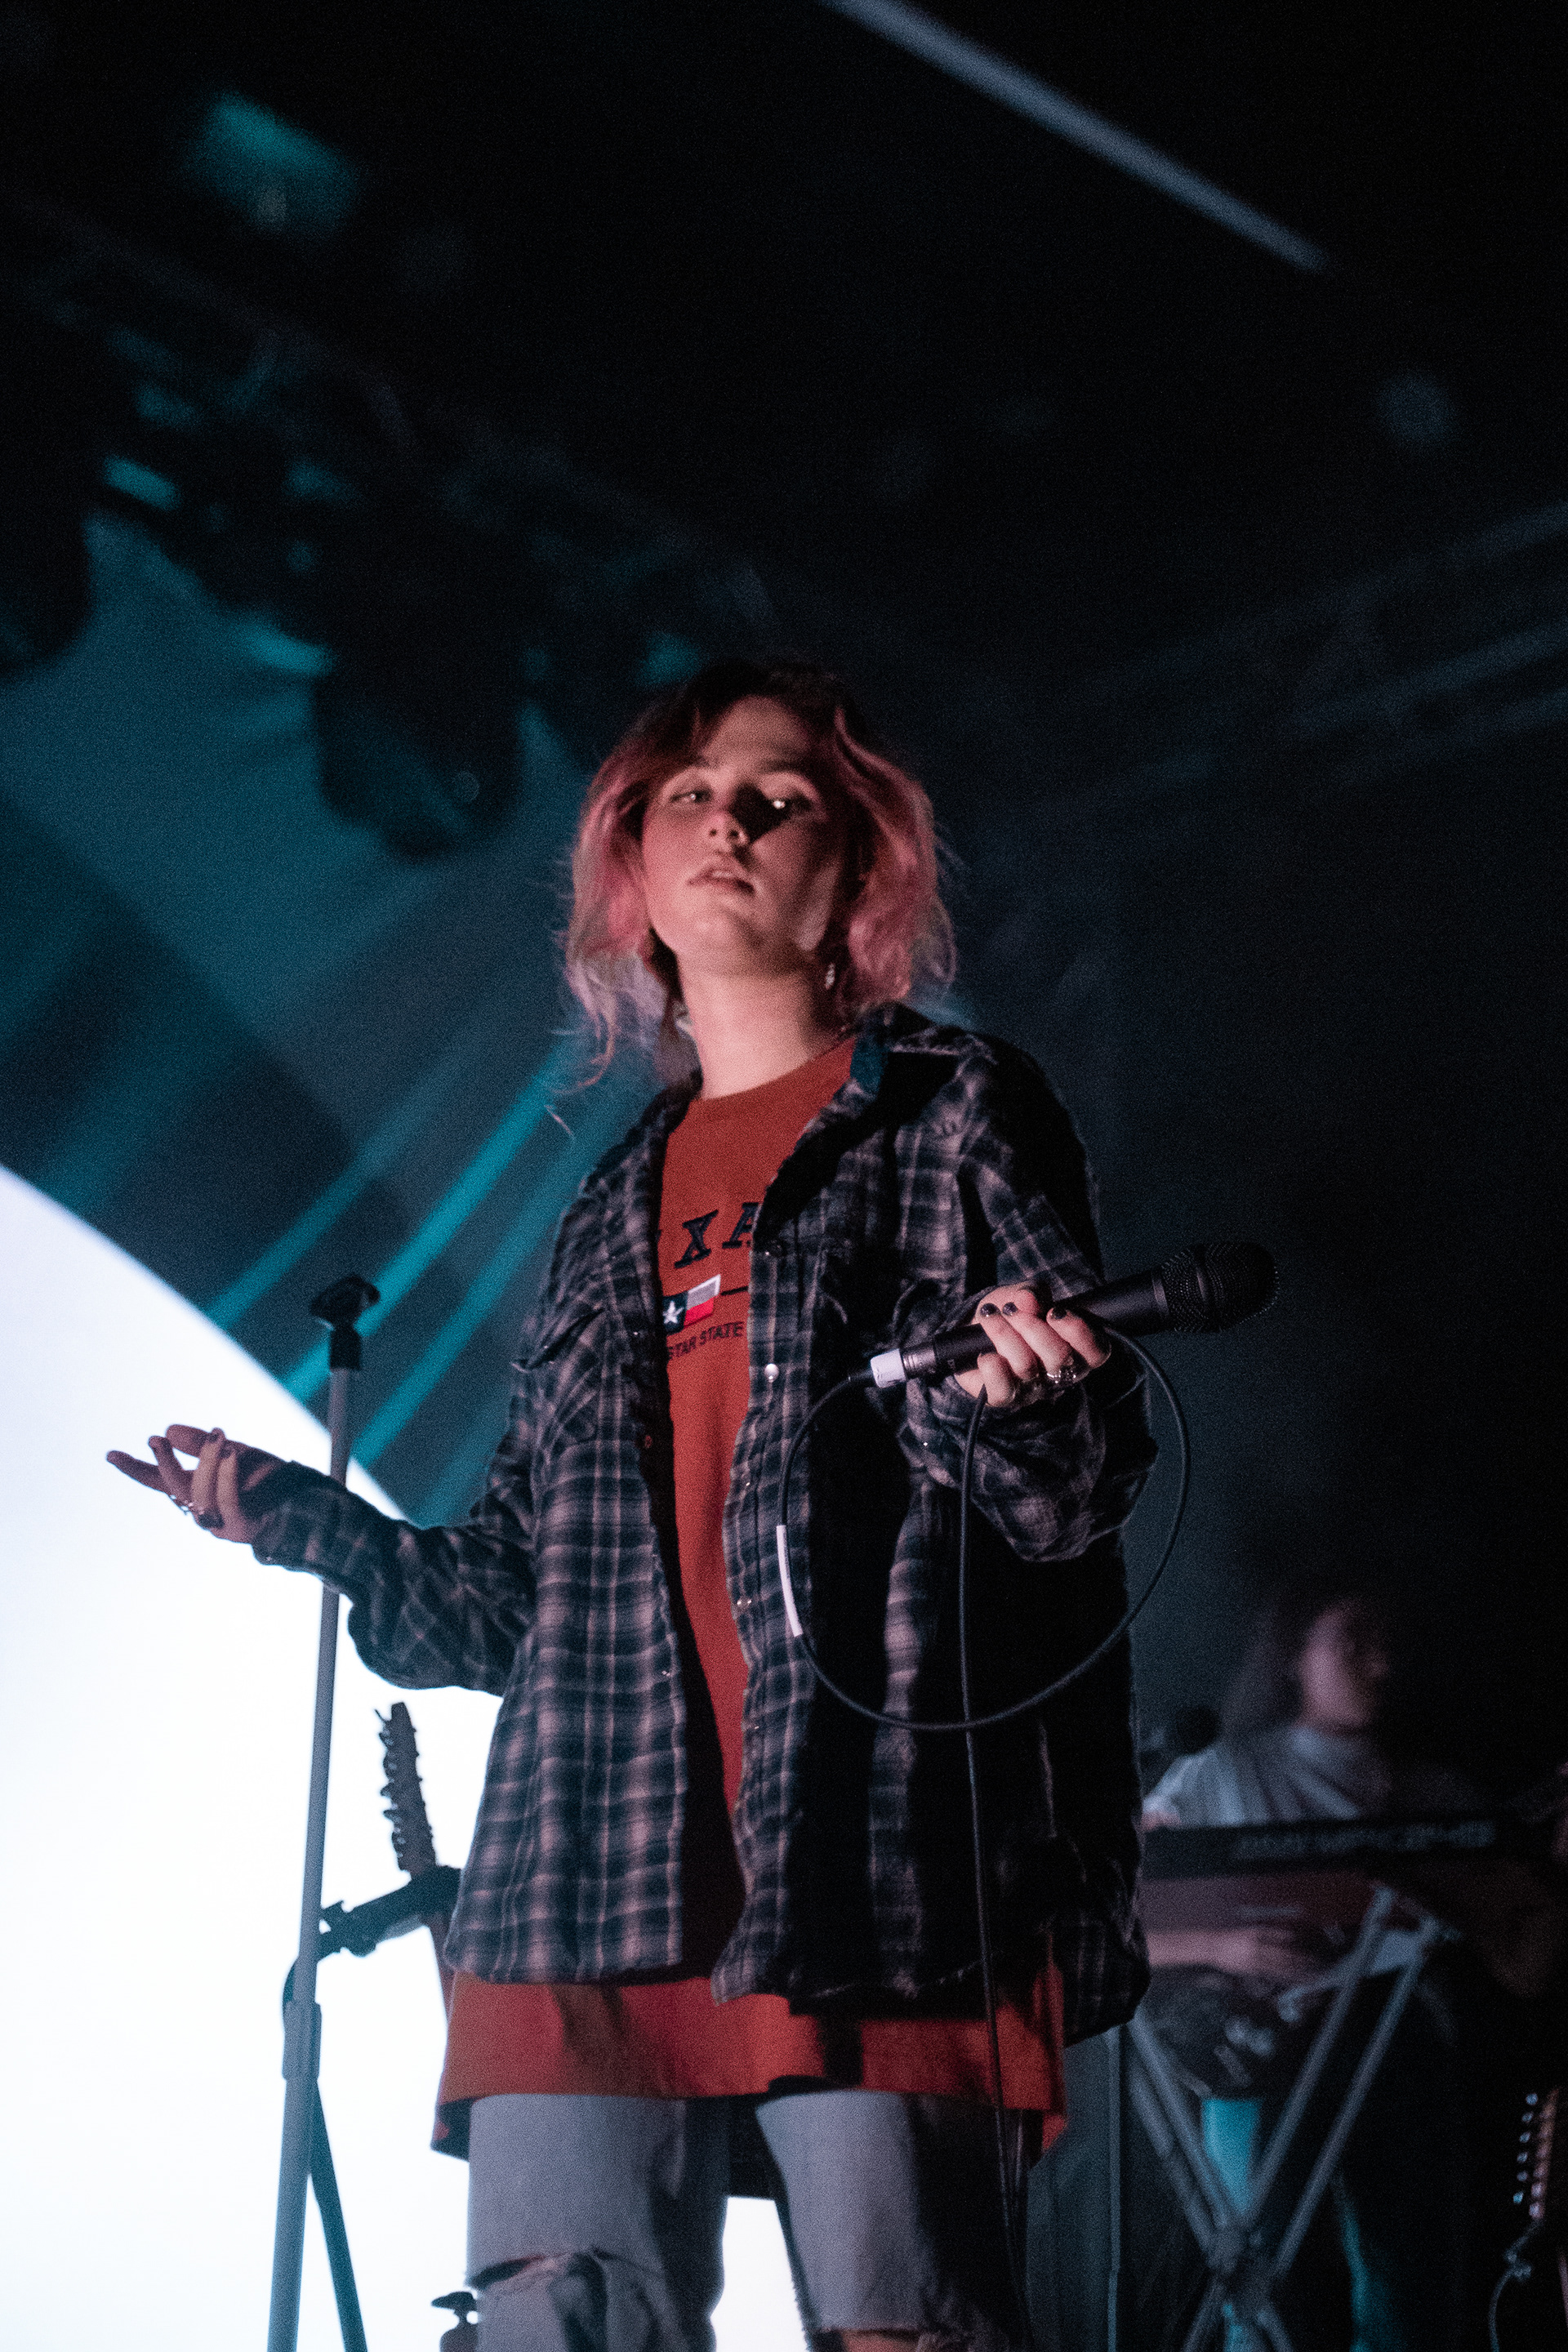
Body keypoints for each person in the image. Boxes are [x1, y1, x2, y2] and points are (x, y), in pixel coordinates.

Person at [110, 657, 1156, 2352]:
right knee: (559, 2323)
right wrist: (307, 1521)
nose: (729, 823)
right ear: (635, 872)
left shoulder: (956, 1111)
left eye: (777, 799)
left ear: (853, 870)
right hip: (586, 1860)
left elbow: (1072, 1496)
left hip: (871, 1847)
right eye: (691, 798)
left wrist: (1027, 1408)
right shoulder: (609, 1207)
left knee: (907, 2321)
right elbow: (507, 1595)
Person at [1142, 1574, 1477, 2352]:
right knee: (1259, 2278)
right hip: (1261, 2055)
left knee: (1408, 2286)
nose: (1379, 1664)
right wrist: (1222, 1948)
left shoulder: (1429, 1791)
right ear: (1296, 1653)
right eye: (1353, 1641)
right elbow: (1117, 1916)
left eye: (1385, 1644)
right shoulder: (1224, 1771)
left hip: (1394, 2055)